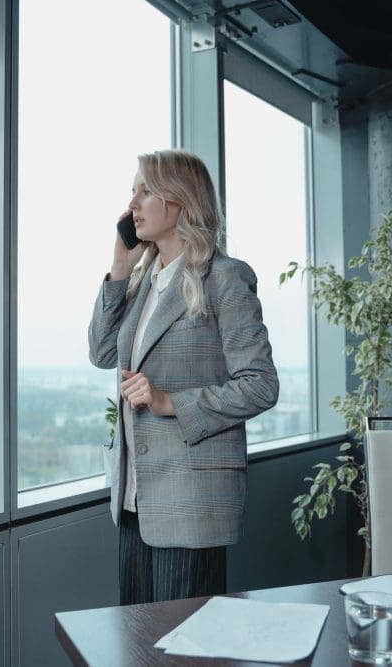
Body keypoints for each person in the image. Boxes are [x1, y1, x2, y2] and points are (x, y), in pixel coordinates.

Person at [88, 149, 279, 605]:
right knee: (136, 644)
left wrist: (169, 402)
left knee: (183, 648)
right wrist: (120, 269)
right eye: (132, 191)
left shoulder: (224, 278)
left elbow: (261, 384)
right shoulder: (142, 283)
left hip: (191, 501)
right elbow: (100, 352)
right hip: (136, 499)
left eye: (145, 190)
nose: (131, 204)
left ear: (179, 200)